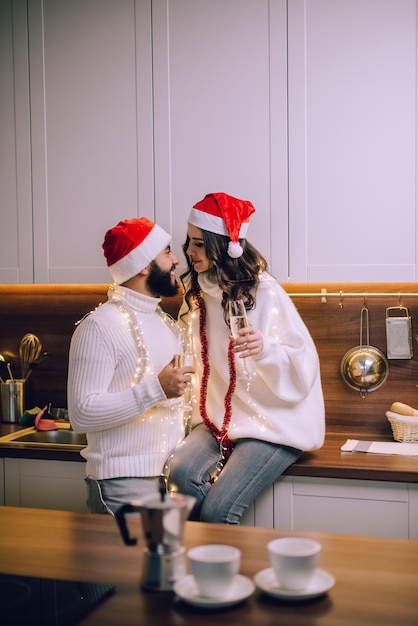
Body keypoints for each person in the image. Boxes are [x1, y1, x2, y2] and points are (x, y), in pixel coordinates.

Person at [166, 192, 325, 524]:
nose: (189, 253)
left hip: (273, 423)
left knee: (218, 510)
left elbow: (304, 362)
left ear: (222, 245)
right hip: (217, 421)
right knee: (179, 472)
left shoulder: (265, 292)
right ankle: (202, 564)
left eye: (198, 244)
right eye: (188, 243)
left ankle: (218, 570)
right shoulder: (197, 295)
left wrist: (265, 348)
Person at [67, 217, 194, 515]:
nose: (176, 259)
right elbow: (82, 414)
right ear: (143, 266)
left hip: (169, 481)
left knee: (162, 564)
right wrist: (157, 389)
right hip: (121, 484)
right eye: (166, 252)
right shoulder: (99, 326)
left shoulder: (166, 323)